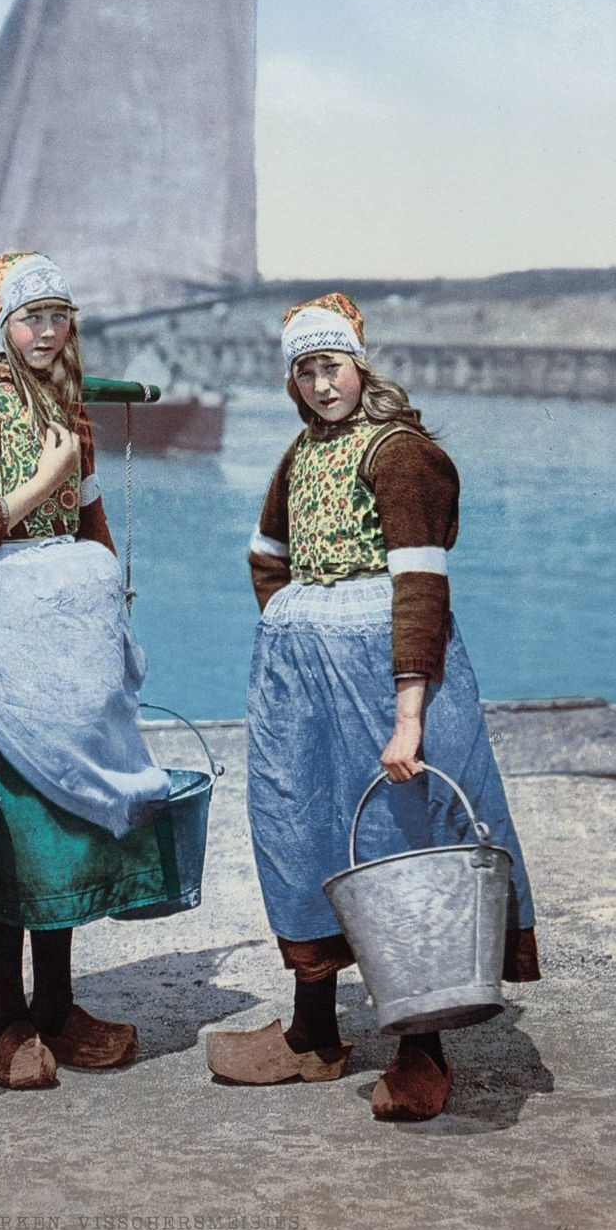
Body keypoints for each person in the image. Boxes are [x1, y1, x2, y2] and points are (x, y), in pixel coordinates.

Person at [205, 293, 540, 1120]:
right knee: (302, 833)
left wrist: (409, 715)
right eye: (307, 370)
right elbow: (267, 556)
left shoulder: (400, 455)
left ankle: (422, 1048)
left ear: (362, 364)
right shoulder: (299, 455)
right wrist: (297, 632)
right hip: (305, 691)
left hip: (393, 678)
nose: (323, 385)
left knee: (407, 842)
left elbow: (421, 590)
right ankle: (315, 1034)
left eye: (334, 365)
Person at [0, 250, 173, 1090]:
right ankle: (7, 1017)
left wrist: (108, 632)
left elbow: (90, 527)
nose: (47, 331)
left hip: (56, 661)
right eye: (32, 317)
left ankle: (58, 1007)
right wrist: (43, 480)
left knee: (61, 825)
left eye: (59, 316)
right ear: (4, 326)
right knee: (4, 835)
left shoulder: (76, 420)